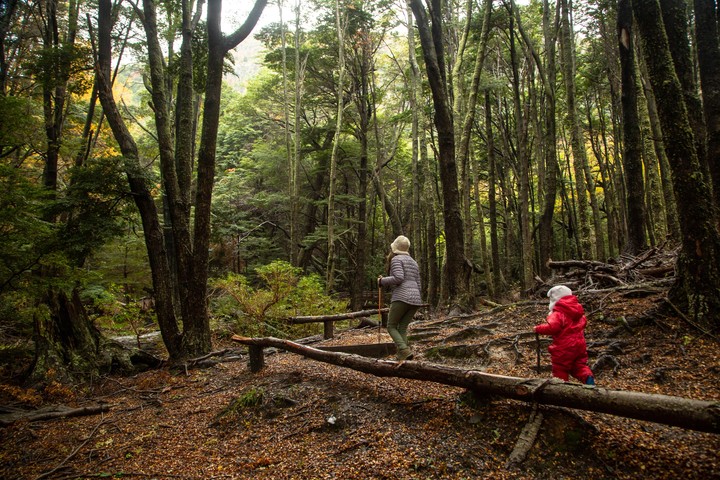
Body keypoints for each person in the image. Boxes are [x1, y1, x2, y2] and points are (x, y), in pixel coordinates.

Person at [534, 285, 595, 386]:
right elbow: (584, 322)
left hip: (564, 347)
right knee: (579, 365)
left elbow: (552, 327)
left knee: (560, 367)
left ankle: (560, 390)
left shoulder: (558, 313)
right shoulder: (578, 311)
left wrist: (538, 328)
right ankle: (588, 379)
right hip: (580, 345)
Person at [378, 235, 423, 361]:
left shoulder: (396, 259)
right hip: (415, 299)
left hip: (402, 297)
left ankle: (403, 350)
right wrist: (417, 297)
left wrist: (381, 281)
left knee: (391, 326)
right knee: (402, 327)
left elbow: (399, 278)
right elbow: (418, 283)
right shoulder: (413, 262)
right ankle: (403, 355)